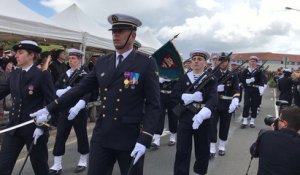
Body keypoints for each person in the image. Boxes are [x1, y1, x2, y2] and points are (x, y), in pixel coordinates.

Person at [31, 14, 160, 175]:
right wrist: (50, 108)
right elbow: (80, 88)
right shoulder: (103, 62)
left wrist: (145, 138)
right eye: (113, 32)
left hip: (130, 136)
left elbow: (154, 104)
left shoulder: (145, 63)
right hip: (103, 133)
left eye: (120, 31)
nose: (115, 35)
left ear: (132, 35)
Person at [0, 40, 56, 175]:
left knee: (40, 168)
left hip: (34, 128)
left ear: (31, 55)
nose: (16, 56)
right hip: (14, 128)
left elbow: (52, 103)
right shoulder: (14, 74)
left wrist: (43, 126)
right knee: (3, 167)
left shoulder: (42, 75)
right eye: (16, 53)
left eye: (20, 53)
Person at [172, 49, 218, 175]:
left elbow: (213, 99)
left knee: (203, 150)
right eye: (194, 59)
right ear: (191, 62)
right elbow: (174, 95)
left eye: (200, 59)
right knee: (182, 150)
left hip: (203, 118)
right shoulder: (183, 77)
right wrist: (188, 97)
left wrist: (203, 114)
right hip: (185, 116)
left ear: (205, 63)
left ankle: (199, 172)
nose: (196, 61)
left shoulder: (211, 79)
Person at [49, 48, 90, 174]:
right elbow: (55, 88)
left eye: (73, 59)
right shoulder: (65, 74)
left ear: (79, 60)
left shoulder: (84, 74)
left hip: (79, 110)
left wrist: (78, 107)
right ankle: (57, 164)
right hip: (65, 109)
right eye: (70, 58)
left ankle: (83, 161)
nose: (70, 61)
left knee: (81, 135)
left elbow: (87, 92)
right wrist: (61, 91)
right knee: (60, 136)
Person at [250, 106, 300, 175]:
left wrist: (274, 133)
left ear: (284, 124)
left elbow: (253, 152)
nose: (276, 121)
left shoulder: (265, 136)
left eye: (279, 119)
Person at [210, 52, 240, 158]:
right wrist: (215, 89)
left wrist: (235, 99)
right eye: (221, 61)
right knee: (212, 125)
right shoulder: (212, 73)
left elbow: (236, 88)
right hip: (215, 103)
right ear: (218, 61)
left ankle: (222, 146)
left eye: (226, 61)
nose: (223, 63)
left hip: (227, 103)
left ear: (228, 62)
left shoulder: (233, 74)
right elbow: (207, 88)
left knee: (225, 125)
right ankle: (212, 147)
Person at [151, 76, 177, 149]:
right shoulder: (160, 67)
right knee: (159, 116)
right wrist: (158, 79)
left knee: (173, 116)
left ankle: (172, 137)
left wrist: (173, 78)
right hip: (161, 94)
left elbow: (180, 79)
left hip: (172, 95)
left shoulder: (176, 67)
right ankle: (156, 140)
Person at [240, 56, 264, 128]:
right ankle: (244, 120)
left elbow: (261, 81)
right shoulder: (245, 70)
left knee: (254, 105)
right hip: (248, 89)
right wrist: (246, 81)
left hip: (255, 89)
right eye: (251, 61)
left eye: (254, 61)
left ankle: (252, 121)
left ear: (256, 63)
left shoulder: (259, 71)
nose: (253, 63)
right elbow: (241, 78)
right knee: (246, 104)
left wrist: (261, 88)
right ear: (249, 62)